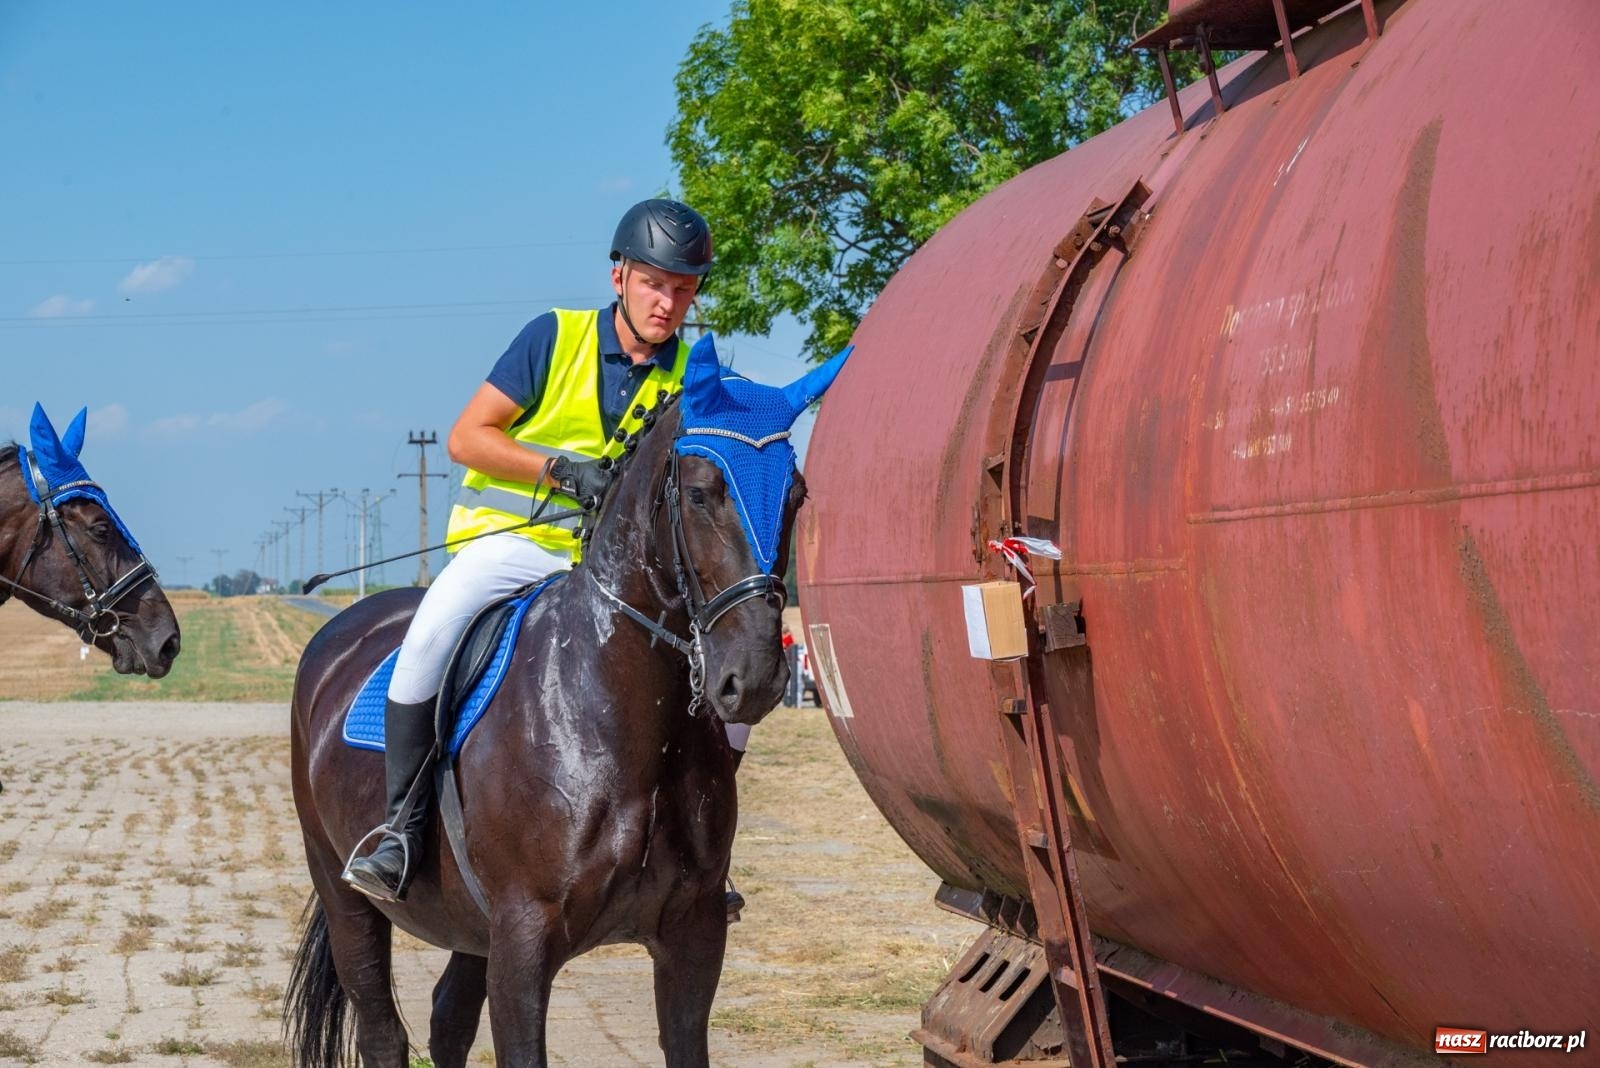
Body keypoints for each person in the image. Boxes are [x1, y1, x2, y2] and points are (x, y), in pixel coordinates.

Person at [342, 199, 720, 904]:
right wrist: (558, 469)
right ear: (619, 277)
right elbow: (467, 438)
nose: (668, 302)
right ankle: (400, 827)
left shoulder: (692, 374)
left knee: (726, 683)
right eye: (654, 283)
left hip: (622, 574)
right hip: (512, 545)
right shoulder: (555, 336)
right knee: (430, 636)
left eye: (683, 288)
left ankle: (702, 856)